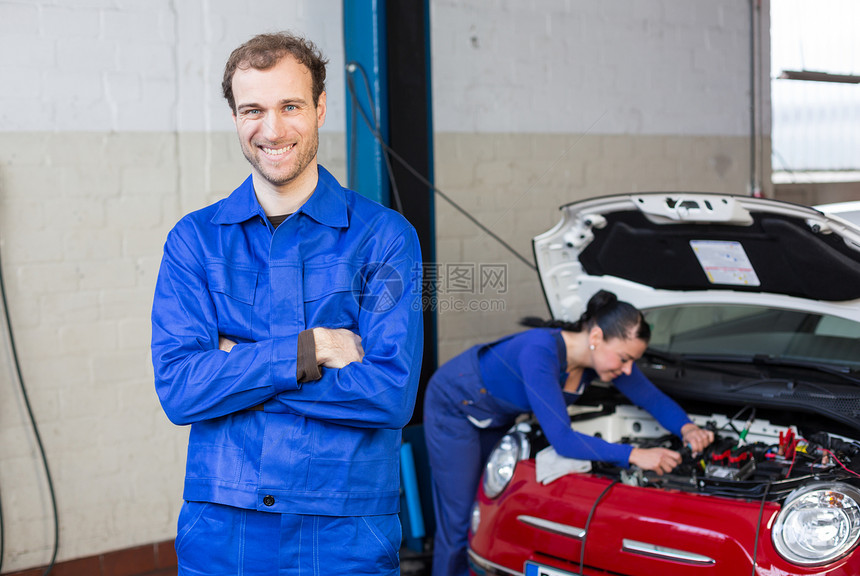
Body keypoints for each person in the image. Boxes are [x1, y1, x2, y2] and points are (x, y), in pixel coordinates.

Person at [151, 32, 423, 575]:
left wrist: (237, 368)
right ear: (234, 116)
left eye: (290, 106)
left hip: (346, 527)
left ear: (320, 108)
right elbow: (181, 392)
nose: (271, 129)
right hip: (222, 526)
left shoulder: (385, 238)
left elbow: (390, 396)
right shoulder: (196, 240)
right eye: (253, 109)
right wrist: (312, 349)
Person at [423, 289, 713, 576]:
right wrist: (635, 455)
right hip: (454, 407)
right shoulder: (539, 352)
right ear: (597, 337)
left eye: (632, 361)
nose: (628, 369)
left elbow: (650, 397)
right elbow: (562, 440)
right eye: (624, 358)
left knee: (486, 505)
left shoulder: (599, 361)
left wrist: (686, 427)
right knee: (459, 519)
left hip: (497, 414)